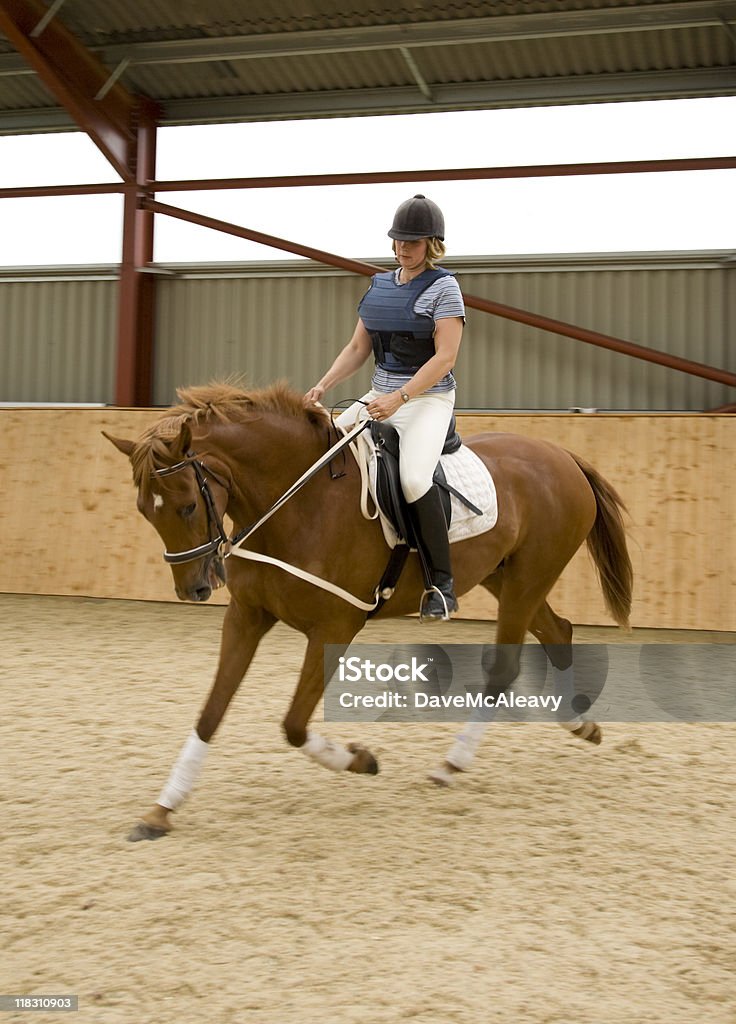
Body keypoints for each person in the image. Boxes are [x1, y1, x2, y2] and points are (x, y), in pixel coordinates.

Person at [305, 194, 465, 620]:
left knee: (414, 479)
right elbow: (358, 347)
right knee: (326, 456)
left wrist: (401, 398)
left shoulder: (444, 288)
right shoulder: (378, 287)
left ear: (432, 243)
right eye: (398, 241)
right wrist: (324, 384)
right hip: (379, 398)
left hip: (427, 400)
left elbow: (445, 357)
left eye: (411, 242)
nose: (402, 248)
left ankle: (442, 585)